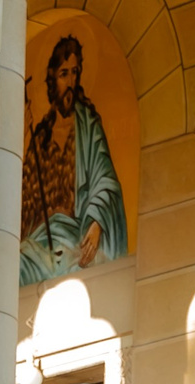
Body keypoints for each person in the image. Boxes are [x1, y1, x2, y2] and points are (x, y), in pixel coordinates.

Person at [20, 35, 130, 286]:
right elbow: (24, 200)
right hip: (40, 246)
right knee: (14, 271)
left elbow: (106, 179)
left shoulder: (88, 126)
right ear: (51, 79)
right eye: (63, 74)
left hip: (76, 240)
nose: (70, 81)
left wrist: (98, 223)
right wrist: (24, 134)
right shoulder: (40, 137)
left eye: (75, 72)